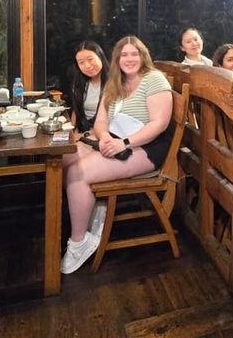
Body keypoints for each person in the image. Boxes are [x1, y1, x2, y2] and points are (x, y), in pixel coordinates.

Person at [61, 36, 173, 274]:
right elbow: (101, 120)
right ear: (117, 59)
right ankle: (93, 212)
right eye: (124, 55)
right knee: (64, 159)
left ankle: (80, 242)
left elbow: (160, 124)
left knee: (77, 174)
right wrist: (104, 138)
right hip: (114, 139)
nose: (129, 59)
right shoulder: (115, 82)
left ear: (143, 56)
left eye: (134, 54)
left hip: (145, 148)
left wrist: (124, 143)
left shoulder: (154, 79)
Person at [68, 41, 110, 134]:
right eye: (81, 62)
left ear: (100, 57)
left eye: (90, 59)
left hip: (105, 133)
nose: (87, 66)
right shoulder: (78, 83)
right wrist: (72, 133)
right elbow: (76, 110)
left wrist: (88, 135)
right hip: (84, 131)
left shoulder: (113, 83)